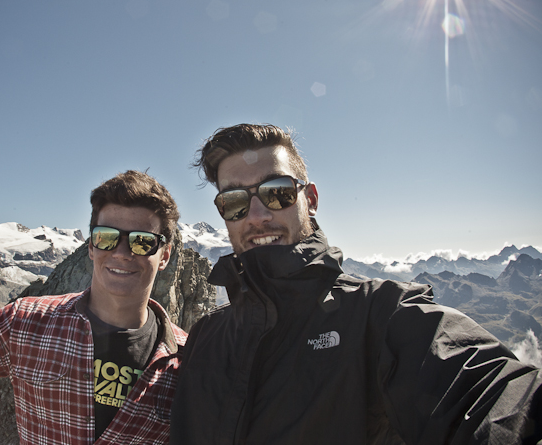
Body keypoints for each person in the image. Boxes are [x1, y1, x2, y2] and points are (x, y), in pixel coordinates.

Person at [170, 124, 542, 444]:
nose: (256, 215)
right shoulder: (205, 337)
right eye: (234, 201)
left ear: (310, 200)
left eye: (277, 191)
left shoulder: (382, 314)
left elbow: (495, 397)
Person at [0, 170, 187, 445]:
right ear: (91, 246)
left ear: (164, 255)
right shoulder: (25, 321)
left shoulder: (187, 359)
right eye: (106, 237)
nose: (122, 253)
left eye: (142, 242)